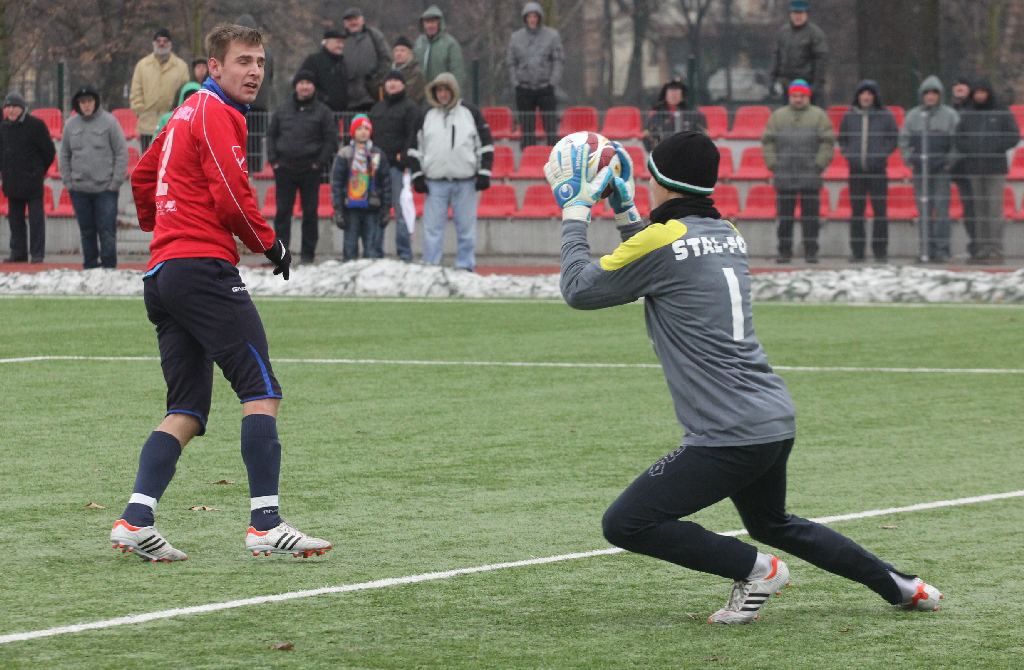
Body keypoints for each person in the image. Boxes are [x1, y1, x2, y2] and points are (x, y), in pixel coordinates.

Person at [544, 128, 944, 625]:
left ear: (661, 182)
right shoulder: (727, 233)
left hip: (728, 432)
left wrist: (574, 211)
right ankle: (899, 585)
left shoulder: (664, 241)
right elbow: (657, 264)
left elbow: (580, 290)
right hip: (771, 418)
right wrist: (625, 210)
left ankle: (756, 571)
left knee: (626, 522)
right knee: (772, 522)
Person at [114, 23, 331, 562]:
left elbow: (143, 176)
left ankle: (135, 519)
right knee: (262, 390)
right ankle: (265, 523)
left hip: (165, 273)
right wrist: (270, 242)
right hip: (201, 269)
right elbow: (233, 194)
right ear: (215, 67)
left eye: (260, 61)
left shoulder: (182, 114)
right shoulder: (216, 112)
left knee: (186, 408)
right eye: (243, 61)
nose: (254, 71)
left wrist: (160, 224)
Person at [408, 73, 493, 271]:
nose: (443, 94)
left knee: (466, 229)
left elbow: (486, 144)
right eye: (439, 90)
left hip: (466, 181)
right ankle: (432, 266)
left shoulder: (470, 113)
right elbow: (414, 147)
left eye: (446, 90)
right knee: (432, 229)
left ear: (453, 91)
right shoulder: (426, 115)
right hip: (434, 182)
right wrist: (417, 175)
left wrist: (484, 172)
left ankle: (465, 266)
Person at [267, 69, 338, 264]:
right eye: (301, 83)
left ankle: (308, 256)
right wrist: (274, 161)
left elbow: (331, 140)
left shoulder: (323, 112)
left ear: (314, 86)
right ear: (295, 86)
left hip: (310, 170)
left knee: (310, 213)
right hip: (285, 170)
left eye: (308, 83)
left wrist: (319, 162)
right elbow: (271, 135)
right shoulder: (282, 109)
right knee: (282, 214)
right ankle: (281, 256)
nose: (305, 86)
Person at [762, 79, 834, 263]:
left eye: (802, 95)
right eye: (795, 95)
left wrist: (819, 164)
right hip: (784, 174)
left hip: (810, 174)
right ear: (790, 96)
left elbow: (827, 142)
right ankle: (784, 251)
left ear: (807, 96)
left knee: (811, 218)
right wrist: (773, 164)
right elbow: (768, 141)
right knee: (785, 218)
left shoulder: (819, 116)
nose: (798, 99)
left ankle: (811, 251)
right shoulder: (777, 116)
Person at [60, 85, 129, 269]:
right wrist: (69, 182)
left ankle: (109, 268)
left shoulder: (110, 122)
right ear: (78, 104)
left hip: (105, 190)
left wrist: (114, 183)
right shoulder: (70, 125)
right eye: (83, 102)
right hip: (79, 190)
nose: (87, 105)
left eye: (89, 101)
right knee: (86, 231)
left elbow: (121, 153)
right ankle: (89, 267)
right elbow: (64, 155)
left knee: (107, 231)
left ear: (96, 102)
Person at [955, 79, 1019, 265]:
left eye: (983, 92)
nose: (980, 96)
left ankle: (996, 249)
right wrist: (971, 150)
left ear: (989, 93)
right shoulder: (967, 114)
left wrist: (995, 148)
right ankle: (981, 249)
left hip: (995, 168)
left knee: (994, 209)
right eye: (977, 92)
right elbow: (959, 138)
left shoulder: (1001, 111)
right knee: (978, 210)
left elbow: (1013, 135)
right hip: (974, 168)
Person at [900, 76, 959, 263]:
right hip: (921, 171)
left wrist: (949, 162)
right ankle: (925, 249)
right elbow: (903, 141)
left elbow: (957, 142)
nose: (931, 96)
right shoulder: (912, 116)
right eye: (927, 93)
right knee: (923, 210)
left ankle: (942, 250)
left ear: (940, 95)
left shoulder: (950, 115)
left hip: (941, 170)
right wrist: (910, 160)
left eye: (934, 93)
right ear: (922, 95)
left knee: (942, 210)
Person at [838, 80, 898, 262]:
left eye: (869, 93)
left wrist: (880, 155)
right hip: (856, 171)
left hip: (878, 170)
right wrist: (851, 156)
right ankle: (857, 252)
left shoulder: (886, 116)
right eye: (862, 93)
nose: (866, 97)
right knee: (857, 212)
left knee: (880, 212)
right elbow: (843, 140)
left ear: (875, 96)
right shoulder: (849, 116)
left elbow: (892, 139)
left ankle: (880, 251)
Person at [370, 69, 420, 261]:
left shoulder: (411, 108)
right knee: (377, 210)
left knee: (401, 212)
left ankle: (405, 253)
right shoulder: (377, 108)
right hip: (377, 168)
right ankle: (375, 253)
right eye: (388, 80)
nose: (392, 84)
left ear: (403, 85)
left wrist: (404, 157)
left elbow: (412, 135)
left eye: (396, 81)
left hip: (398, 168)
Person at [0, 92, 55, 263]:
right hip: (11, 182)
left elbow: (49, 151)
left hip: (32, 183)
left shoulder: (36, 125)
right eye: (7, 106)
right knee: (15, 221)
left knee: (36, 221)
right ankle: (18, 253)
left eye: (14, 106)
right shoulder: (3, 127)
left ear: (22, 108)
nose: (11, 110)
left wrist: (38, 171)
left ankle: (37, 254)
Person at [331, 114, 391, 260]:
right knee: (350, 246)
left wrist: (386, 208)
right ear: (352, 132)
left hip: (372, 207)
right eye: (359, 128)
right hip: (350, 208)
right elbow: (337, 183)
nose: (363, 131)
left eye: (366, 128)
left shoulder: (377, 154)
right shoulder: (345, 153)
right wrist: (338, 209)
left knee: (371, 247)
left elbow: (386, 182)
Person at [507, 1, 564, 148]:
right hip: (524, 88)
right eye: (529, 16)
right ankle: (528, 158)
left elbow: (558, 61)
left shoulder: (552, 36)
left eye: (535, 16)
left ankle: (554, 158)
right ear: (525, 18)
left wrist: (552, 83)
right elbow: (511, 62)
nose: (532, 19)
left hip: (546, 88)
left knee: (551, 127)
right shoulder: (515, 38)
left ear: (539, 17)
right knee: (526, 128)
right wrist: (516, 84)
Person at [129, 27, 189, 152]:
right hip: (148, 124)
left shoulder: (181, 66)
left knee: (171, 161)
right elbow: (136, 92)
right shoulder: (142, 65)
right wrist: (140, 111)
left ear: (170, 44)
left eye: (165, 41)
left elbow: (185, 94)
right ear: (153, 43)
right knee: (147, 162)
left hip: (172, 123)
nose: (161, 44)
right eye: (158, 41)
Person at [236, 14, 275, 173]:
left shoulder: (237, 53)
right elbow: (270, 77)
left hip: (241, 103)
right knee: (255, 144)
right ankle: (253, 174)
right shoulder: (267, 52)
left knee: (238, 142)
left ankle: (242, 172)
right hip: (261, 105)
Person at [770, 0, 828, 107]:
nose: (798, 16)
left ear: (806, 14)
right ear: (790, 14)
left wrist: (815, 86)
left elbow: (821, 61)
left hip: (808, 86)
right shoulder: (782, 32)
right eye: (795, 13)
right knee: (787, 120)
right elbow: (776, 57)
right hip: (787, 86)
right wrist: (773, 80)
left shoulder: (815, 33)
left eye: (801, 13)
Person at [340, 7, 391, 112]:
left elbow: (386, 60)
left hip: (371, 96)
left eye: (355, 19)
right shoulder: (339, 40)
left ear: (362, 20)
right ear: (345, 24)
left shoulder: (374, 36)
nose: (353, 22)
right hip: (346, 98)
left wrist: (376, 80)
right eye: (349, 20)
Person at [949, 76, 976, 258]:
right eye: (956, 88)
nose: (959, 91)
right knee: (969, 208)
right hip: (957, 168)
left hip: (974, 167)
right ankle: (973, 244)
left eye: (962, 88)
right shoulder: (949, 111)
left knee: (976, 208)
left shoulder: (976, 110)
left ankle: (978, 244)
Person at [643, 80, 708, 151]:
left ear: (682, 96)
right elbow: (648, 139)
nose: (674, 96)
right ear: (665, 95)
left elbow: (702, 135)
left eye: (677, 93)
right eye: (671, 93)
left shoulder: (693, 114)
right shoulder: (656, 115)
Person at [414, 5, 466, 94]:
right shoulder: (419, 43)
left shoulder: (450, 44)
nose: (430, 25)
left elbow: (457, 71)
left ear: (439, 23)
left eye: (433, 22)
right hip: (421, 95)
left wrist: (454, 93)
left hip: (443, 93)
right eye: (427, 22)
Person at [300, 29, 349, 113]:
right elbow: (302, 84)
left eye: (342, 43)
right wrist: (323, 99)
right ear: (326, 42)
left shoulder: (343, 63)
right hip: (318, 112)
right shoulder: (313, 61)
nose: (341, 46)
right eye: (337, 42)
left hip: (340, 113)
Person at [392, 36, 425, 105]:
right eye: (396, 50)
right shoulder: (389, 71)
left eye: (402, 50)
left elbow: (408, 94)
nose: (399, 53)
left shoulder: (416, 73)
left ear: (410, 53)